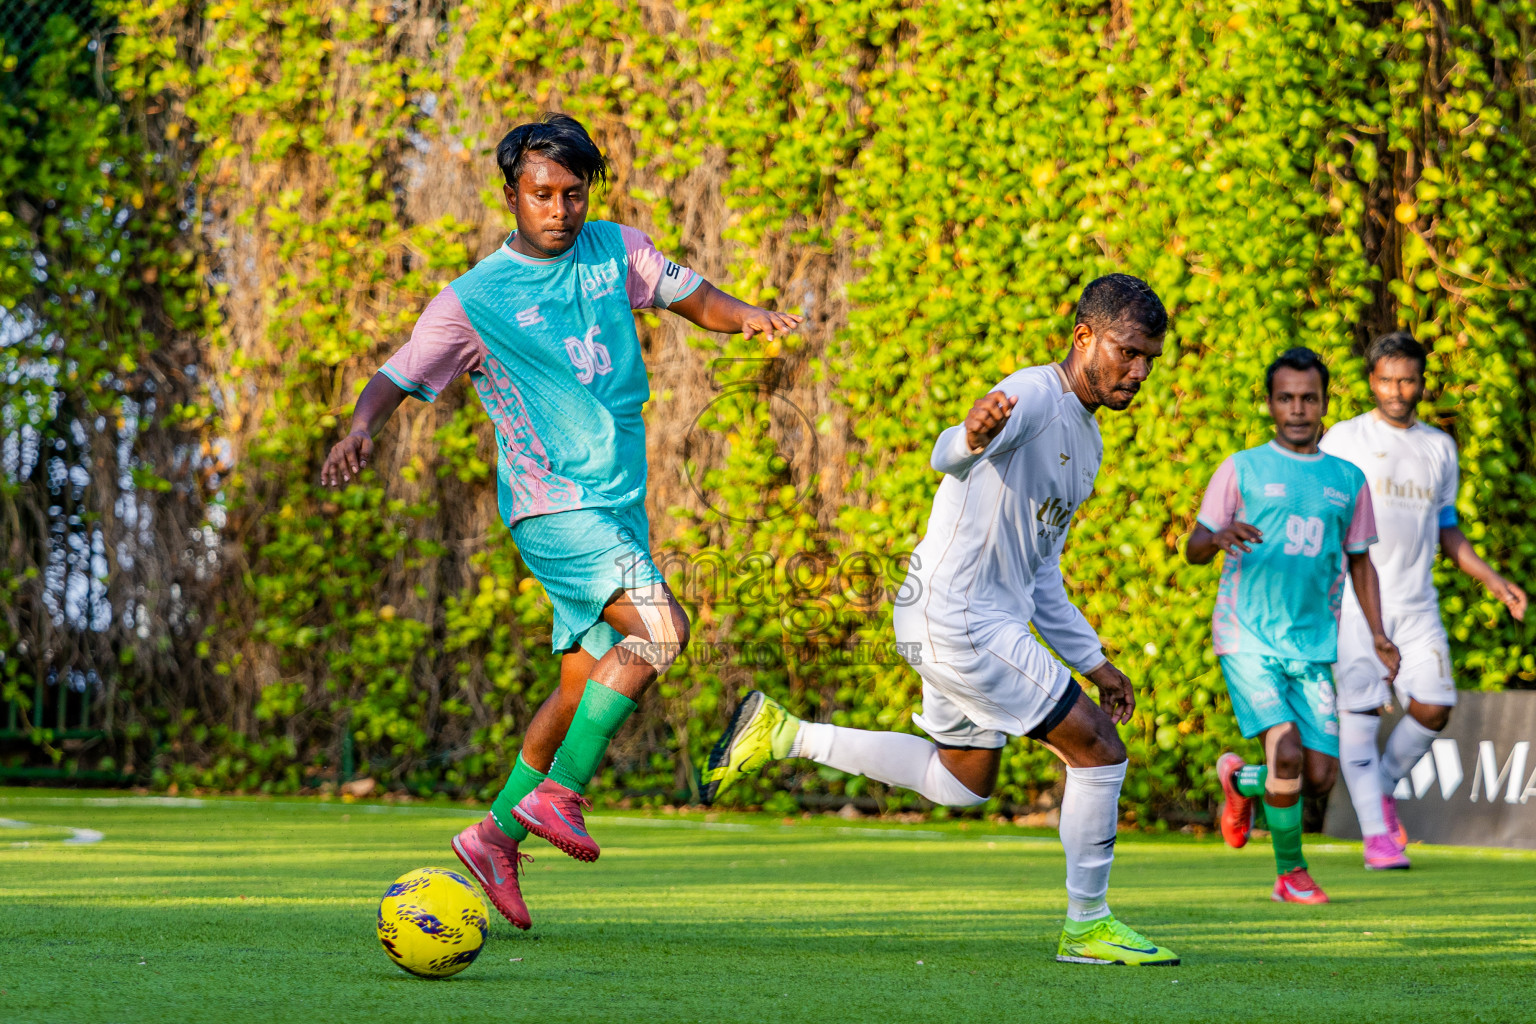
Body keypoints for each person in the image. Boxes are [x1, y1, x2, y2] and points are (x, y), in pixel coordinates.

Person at [320, 113, 801, 929]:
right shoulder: (473, 299)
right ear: (512, 193)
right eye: (542, 193)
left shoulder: (619, 250)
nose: (559, 209)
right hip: (553, 507)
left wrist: (749, 314)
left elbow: (697, 298)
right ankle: (560, 795)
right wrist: (361, 427)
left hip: (616, 504)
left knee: (587, 676)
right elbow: (396, 375)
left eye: (573, 194)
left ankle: (494, 835)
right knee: (664, 630)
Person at [702, 274, 1179, 966]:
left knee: (961, 781)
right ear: (1084, 338)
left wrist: (1095, 661)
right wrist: (970, 432)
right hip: (963, 620)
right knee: (1099, 748)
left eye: (1149, 361)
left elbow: (1043, 573)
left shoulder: (1089, 443)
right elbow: (947, 455)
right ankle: (1088, 927)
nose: (1138, 372)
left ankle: (785, 734)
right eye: (1127, 353)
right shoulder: (1037, 395)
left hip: (948, 618)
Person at [1187, 347, 1401, 905]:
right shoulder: (1242, 468)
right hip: (1246, 636)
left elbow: (1360, 561)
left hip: (1312, 647)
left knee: (1318, 775)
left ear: (1325, 404)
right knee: (1283, 747)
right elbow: (1193, 547)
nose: (1298, 409)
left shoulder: (1348, 481)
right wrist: (1217, 537)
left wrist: (1378, 635)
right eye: (1286, 398)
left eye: (1309, 398)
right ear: (1270, 404)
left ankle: (1239, 782)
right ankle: (1291, 875)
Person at [1319, 331, 1527, 869]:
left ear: (1421, 383)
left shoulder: (1439, 447)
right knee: (1360, 714)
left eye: (1406, 379)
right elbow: (1321, 514)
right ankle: (1377, 840)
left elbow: (1448, 530)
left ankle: (1378, 792)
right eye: (1386, 379)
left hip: (1416, 606)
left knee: (1436, 705)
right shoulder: (1344, 439)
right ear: (1371, 381)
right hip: (1356, 606)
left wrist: (1493, 580)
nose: (1396, 389)